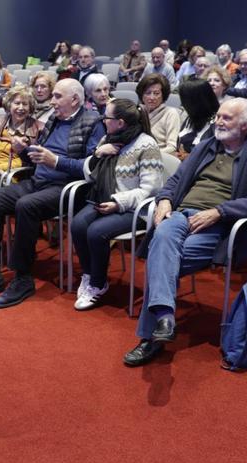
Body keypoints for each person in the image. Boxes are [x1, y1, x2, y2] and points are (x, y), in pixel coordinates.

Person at [123, 98, 247, 366]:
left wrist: (220, 212)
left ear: (245, 125)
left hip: (218, 227)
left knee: (161, 260)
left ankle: (152, 334)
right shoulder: (205, 147)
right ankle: (164, 320)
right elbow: (175, 180)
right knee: (164, 237)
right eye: (218, 116)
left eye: (227, 118)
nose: (218, 121)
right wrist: (165, 200)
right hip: (182, 214)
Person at [0, 78, 105, 308]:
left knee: (26, 205)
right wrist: (25, 152)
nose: (51, 100)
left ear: (74, 99)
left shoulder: (93, 123)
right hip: (39, 180)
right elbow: (38, 159)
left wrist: (56, 161)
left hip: (68, 189)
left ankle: (22, 277)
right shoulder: (54, 120)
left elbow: (92, 167)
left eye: (57, 96)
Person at [71, 99, 164, 310]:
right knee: (78, 225)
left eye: (106, 117)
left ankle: (98, 284)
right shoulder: (107, 138)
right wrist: (97, 154)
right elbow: (89, 175)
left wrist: (117, 202)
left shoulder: (146, 145)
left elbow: (151, 190)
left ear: (120, 122)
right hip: (104, 199)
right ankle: (89, 273)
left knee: (95, 232)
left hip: (134, 209)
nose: (103, 121)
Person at [0, 85, 40, 194]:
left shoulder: (37, 128)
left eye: (25, 104)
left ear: (30, 107)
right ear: (9, 105)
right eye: (17, 103)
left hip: (13, 175)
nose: (21, 108)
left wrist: (23, 150)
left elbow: (33, 163)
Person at [137, 73, 182, 155]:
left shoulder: (170, 114)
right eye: (147, 93)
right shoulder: (137, 112)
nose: (152, 97)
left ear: (163, 95)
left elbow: (172, 147)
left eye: (156, 93)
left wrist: (149, 155)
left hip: (159, 158)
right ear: (142, 95)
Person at [175, 79, 219, 160]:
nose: (183, 104)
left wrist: (189, 158)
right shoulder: (191, 117)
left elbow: (215, 155)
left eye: (185, 100)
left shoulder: (218, 122)